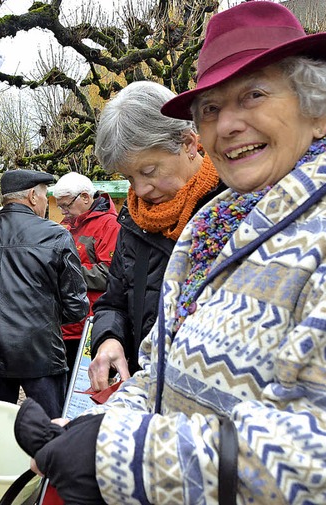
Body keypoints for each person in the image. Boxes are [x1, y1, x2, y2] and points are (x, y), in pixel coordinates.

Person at [14, 2, 326, 504]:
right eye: (211, 108)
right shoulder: (211, 229)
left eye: (253, 95)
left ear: (319, 110)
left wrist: (117, 455)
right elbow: (159, 371)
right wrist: (93, 425)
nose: (228, 124)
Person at [88, 80, 225, 391]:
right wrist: (109, 339)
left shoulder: (230, 209)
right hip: (143, 394)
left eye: (148, 171)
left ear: (188, 143)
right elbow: (113, 302)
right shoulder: (133, 224)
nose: (139, 190)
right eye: (128, 177)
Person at [0, 169, 89, 418]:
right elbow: (76, 306)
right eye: (45, 197)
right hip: (41, 350)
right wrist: (41, 320)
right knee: (49, 431)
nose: (46, 203)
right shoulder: (56, 235)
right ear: (32, 196)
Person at [51, 172, 120, 383]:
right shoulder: (66, 225)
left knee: (85, 388)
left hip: (89, 327)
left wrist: (66, 271)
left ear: (85, 197)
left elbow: (111, 274)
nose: (62, 211)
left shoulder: (110, 225)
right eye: (60, 206)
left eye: (66, 205)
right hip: (64, 326)